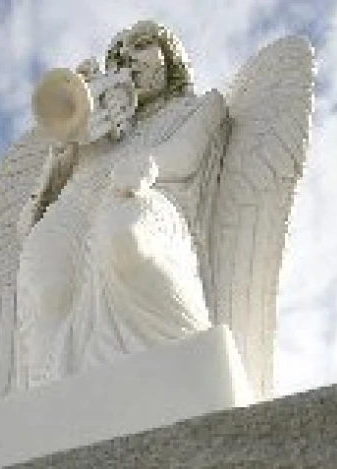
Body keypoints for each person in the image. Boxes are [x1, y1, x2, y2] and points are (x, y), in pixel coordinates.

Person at [16, 20, 229, 388]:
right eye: (118, 55)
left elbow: (188, 151)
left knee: (125, 237)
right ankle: (48, 393)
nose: (128, 58)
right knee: (46, 284)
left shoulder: (203, 105)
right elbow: (28, 223)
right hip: (74, 209)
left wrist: (151, 163)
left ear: (170, 55)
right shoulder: (102, 120)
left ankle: (185, 361)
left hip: (144, 191)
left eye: (141, 45)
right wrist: (73, 132)